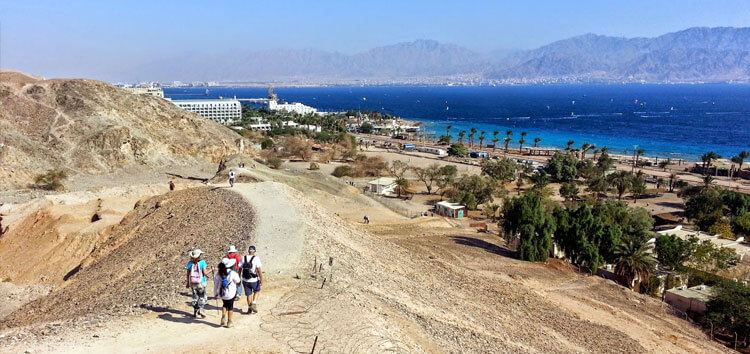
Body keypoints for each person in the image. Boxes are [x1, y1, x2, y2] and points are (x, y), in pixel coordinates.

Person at [213, 257, 241, 327]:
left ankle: (223, 317)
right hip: (231, 293)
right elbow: (238, 282)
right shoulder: (233, 273)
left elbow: (215, 284)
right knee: (230, 307)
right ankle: (229, 322)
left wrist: (215, 293)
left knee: (224, 304)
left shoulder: (218, 274)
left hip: (222, 293)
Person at [185, 249, 211, 318]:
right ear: (199, 256)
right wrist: (211, 270)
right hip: (201, 282)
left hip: (193, 283)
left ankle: (195, 311)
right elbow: (205, 273)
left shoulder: (190, 263)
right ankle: (201, 310)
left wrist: (187, 282)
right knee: (202, 297)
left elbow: (187, 274)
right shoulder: (202, 262)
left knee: (195, 297)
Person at [239, 245, 264, 314]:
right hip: (254, 280)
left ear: (248, 251)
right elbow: (258, 270)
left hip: (245, 279)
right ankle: (254, 303)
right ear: (254, 251)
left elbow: (240, 268)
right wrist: (261, 278)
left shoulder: (244, 258)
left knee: (248, 294)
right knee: (257, 290)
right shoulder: (256, 258)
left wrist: (239, 276)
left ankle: (249, 309)